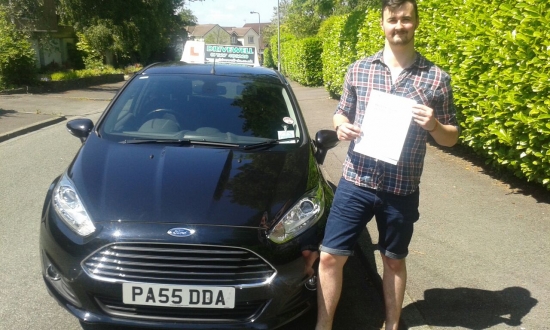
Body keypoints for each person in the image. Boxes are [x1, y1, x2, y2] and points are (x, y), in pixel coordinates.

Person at [315, 0, 460, 329]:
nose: (399, 26)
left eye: (406, 19)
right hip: (356, 181)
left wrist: (435, 126)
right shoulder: (359, 69)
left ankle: (392, 325)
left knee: (393, 261)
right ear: (383, 24)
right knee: (329, 257)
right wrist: (341, 126)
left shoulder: (436, 78)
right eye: (393, 20)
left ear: (415, 23)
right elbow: (342, 112)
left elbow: (451, 137)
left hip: (401, 188)